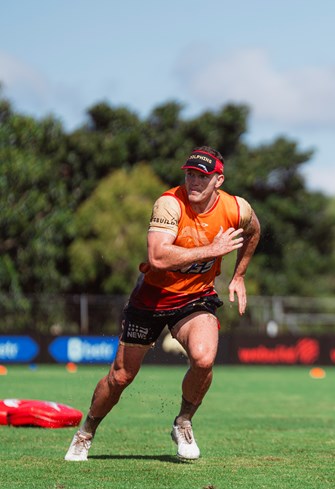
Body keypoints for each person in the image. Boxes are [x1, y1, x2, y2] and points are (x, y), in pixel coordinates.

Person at [65, 146, 261, 461]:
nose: (194, 182)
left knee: (204, 359)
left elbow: (254, 231)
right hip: (153, 297)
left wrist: (239, 274)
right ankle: (86, 431)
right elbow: (157, 257)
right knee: (120, 378)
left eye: (202, 176)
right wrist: (211, 250)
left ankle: (183, 421)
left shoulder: (237, 208)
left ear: (218, 180)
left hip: (196, 297)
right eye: (190, 174)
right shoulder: (169, 204)